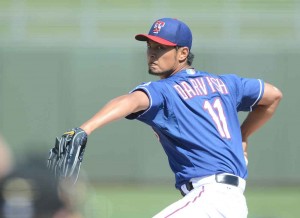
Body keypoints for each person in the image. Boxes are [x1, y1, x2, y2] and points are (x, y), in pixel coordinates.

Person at [67, 18, 282, 217]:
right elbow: (273, 96)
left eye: (161, 48)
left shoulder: (166, 90)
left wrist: (86, 128)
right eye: (149, 46)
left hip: (210, 198)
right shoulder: (226, 84)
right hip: (229, 201)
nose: (152, 53)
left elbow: (130, 101)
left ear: (182, 53)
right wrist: (243, 135)